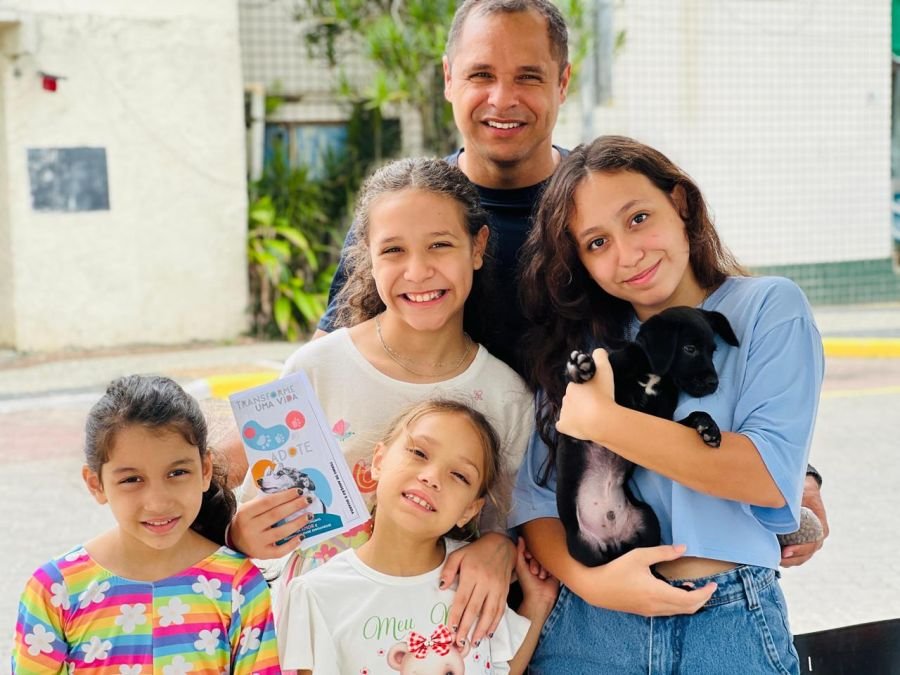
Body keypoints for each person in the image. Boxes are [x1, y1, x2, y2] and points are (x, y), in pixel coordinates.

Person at [307, 0, 830, 566]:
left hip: (571, 533)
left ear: (562, 82)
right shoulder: (412, 209)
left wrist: (790, 470)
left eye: (528, 77)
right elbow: (335, 369)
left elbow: (697, 335)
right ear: (449, 78)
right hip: (445, 528)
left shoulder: (599, 198)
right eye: (481, 74)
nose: (502, 98)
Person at [511, 135, 824, 673]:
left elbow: (767, 476)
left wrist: (604, 420)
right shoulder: (584, 345)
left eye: (638, 219)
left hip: (726, 620)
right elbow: (535, 501)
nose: (628, 254)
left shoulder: (768, 308)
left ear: (679, 203)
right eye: (597, 243)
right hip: (591, 624)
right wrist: (594, 585)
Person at [229, 157, 534, 649]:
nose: (418, 271)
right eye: (393, 250)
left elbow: (511, 529)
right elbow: (258, 523)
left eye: (440, 245)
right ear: (367, 256)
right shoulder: (315, 370)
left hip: (428, 646)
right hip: (317, 641)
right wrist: (243, 533)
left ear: (477, 247)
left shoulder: (506, 396)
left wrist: (500, 545)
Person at [12, 375, 279, 674]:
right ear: (96, 484)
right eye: (132, 479)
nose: (157, 502)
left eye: (177, 473)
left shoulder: (240, 586)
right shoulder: (55, 589)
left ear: (205, 470)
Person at [277, 399, 559, 674]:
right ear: (378, 461)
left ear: (470, 510)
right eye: (419, 453)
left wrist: (539, 602)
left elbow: (499, 667)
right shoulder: (316, 594)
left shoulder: (478, 579)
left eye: (459, 475)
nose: (431, 477)